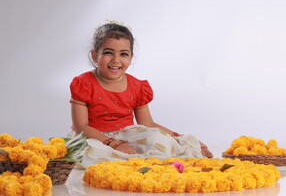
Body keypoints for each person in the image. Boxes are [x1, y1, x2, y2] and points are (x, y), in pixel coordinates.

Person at [69, 20, 213, 167]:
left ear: (131, 58)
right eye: (108, 53)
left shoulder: (137, 86)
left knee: (157, 139)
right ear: (94, 55)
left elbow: (148, 123)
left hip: (127, 136)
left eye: (123, 54)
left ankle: (136, 161)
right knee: (88, 152)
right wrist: (114, 145)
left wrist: (183, 140)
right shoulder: (83, 84)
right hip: (93, 137)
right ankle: (130, 161)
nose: (116, 60)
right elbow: (81, 127)